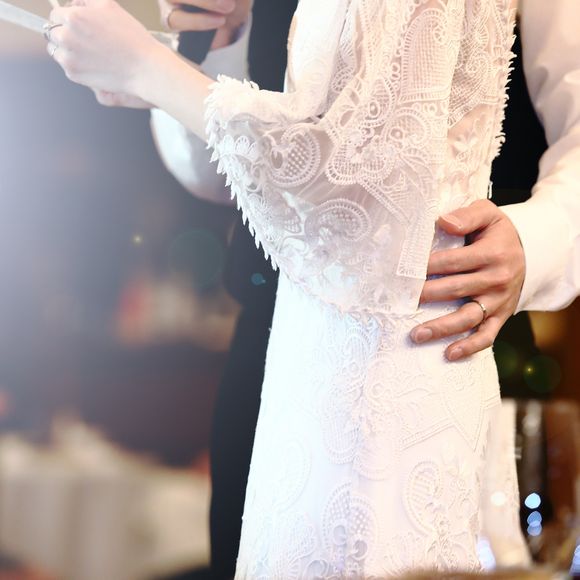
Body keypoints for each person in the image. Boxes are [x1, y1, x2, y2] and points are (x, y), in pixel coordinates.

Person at [44, 0, 580, 576]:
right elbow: (214, 171)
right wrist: (223, 42)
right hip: (274, 351)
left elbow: (354, 177)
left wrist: (534, 241)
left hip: (449, 316)